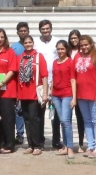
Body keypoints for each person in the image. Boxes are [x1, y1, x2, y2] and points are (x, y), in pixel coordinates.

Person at [74, 34, 96, 158]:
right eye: (81, 45)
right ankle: (91, 145)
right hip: (81, 94)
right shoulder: (77, 56)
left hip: (95, 94)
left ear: (91, 44)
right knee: (87, 121)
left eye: (86, 45)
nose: (84, 47)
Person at [16, 35, 48, 155]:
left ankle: (37, 144)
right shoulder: (20, 58)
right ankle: (30, 144)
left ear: (33, 43)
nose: (28, 44)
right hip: (23, 92)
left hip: (34, 93)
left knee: (35, 119)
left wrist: (45, 93)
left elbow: (44, 75)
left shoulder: (38, 57)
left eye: (30, 42)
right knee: (27, 119)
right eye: (26, 43)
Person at [0, 28, 19, 153]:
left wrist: (1, 83)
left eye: (2, 37)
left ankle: (10, 144)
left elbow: (12, 70)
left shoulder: (10, 52)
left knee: (8, 119)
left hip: (7, 90)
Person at [49, 39, 76, 157]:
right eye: (58, 49)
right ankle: (65, 146)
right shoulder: (55, 62)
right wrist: (51, 92)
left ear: (66, 50)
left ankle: (70, 147)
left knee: (66, 121)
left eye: (62, 49)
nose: (60, 51)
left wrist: (74, 98)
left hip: (67, 94)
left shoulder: (70, 62)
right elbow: (53, 78)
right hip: (56, 95)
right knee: (62, 121)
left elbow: (73, 80)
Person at [34, 19, 59, 148]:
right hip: (40, 83)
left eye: (47, 28)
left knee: (55, 114)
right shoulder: (36, 43)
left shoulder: (56, 42)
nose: (45, 31)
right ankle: (40, 140)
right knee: (40, 114)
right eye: (43, 29)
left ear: (51, 29)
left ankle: (56, 140)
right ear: (40, 30)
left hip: (55, 81)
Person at [67, 29, 86, 151]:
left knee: (80, 117)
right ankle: (67, 143)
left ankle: (80, 143)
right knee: (66, 118)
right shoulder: (67, 51)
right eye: (72, 38)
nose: (74, 40)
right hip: (67, 86)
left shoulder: (82, 51)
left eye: (75, 38)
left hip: (79, 87)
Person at [10, 21, 29, 144]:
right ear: (17, 33)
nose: (23, 33)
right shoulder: (14, 47)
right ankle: (19, 134)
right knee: (18, 110)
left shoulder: (32, 44)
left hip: (30, 83)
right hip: (17, 82)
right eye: (20, 31)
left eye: (25, 30)